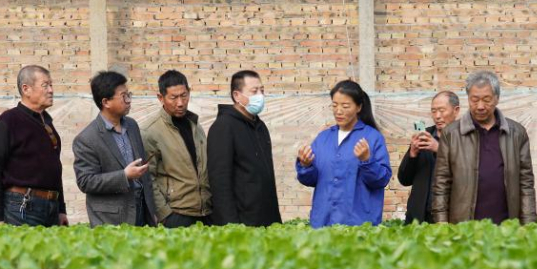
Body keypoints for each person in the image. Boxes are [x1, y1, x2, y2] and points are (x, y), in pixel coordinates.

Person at [432, 70, 537, 224]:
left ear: (497, 98)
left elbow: (526, 183)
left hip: (507, 225)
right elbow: (441, 183)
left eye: (486, 99)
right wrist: (441, 224)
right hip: (464, 226)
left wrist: (529, 224)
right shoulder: (451, 134)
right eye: (474, 100)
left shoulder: (516, 133)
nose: (480, 106)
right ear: (468, 99)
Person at [295, 80, 392, 228]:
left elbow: (382, 180)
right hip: (323, 222)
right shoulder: (323, 139)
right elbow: (310, 180)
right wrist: (305, 165)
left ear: (359, 107)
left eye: (345, 106)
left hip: (358, 225)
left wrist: (367, 161)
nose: (338, 111)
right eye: (334, 105)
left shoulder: (372, 138)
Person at [0, 65, 69, 226]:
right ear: (26, 89)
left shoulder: (47, 123)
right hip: (22, 206)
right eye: (45, 85)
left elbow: (54, 169)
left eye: (51, 85)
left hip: (51, 206)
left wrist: (61, 209)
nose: (51, 90)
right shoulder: (8, 121)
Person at [72, 71, 157, 227]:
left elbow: (145, 175)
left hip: (141, 211)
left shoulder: (132, 125)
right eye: (123, 96)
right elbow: (86, 182)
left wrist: (152, 211)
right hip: (111, 219)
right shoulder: (86, 139)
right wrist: (124, 176)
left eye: (129, 94)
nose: (129, 100)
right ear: (106, 102)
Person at [207, 70, 281, 226]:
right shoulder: (224, 126)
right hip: (242, 222)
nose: (260, 96)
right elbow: (220, 182)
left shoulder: (260, 127)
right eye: (254, 91)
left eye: (262, 90)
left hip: (266, 219)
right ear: (237, 95)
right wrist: (231, 225)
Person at [141, 70, 211, 227]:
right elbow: (147, 178)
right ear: (161, 98)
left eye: (184, 95)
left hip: (205, 212)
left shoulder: (195, 124)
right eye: (173, 97)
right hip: (176, 215)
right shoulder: (150, 131)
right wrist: (165, 215)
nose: (180, 102)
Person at [397, 91, 460, 224]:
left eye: (442, 110)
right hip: (418, 218)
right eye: (433, 111)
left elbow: (468, 174)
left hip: (450, 218)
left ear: (456, 111)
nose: (437, 116)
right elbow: (404, 179)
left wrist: (439, 149)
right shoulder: (425, 135)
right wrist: (412, 154)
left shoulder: (466, 138)